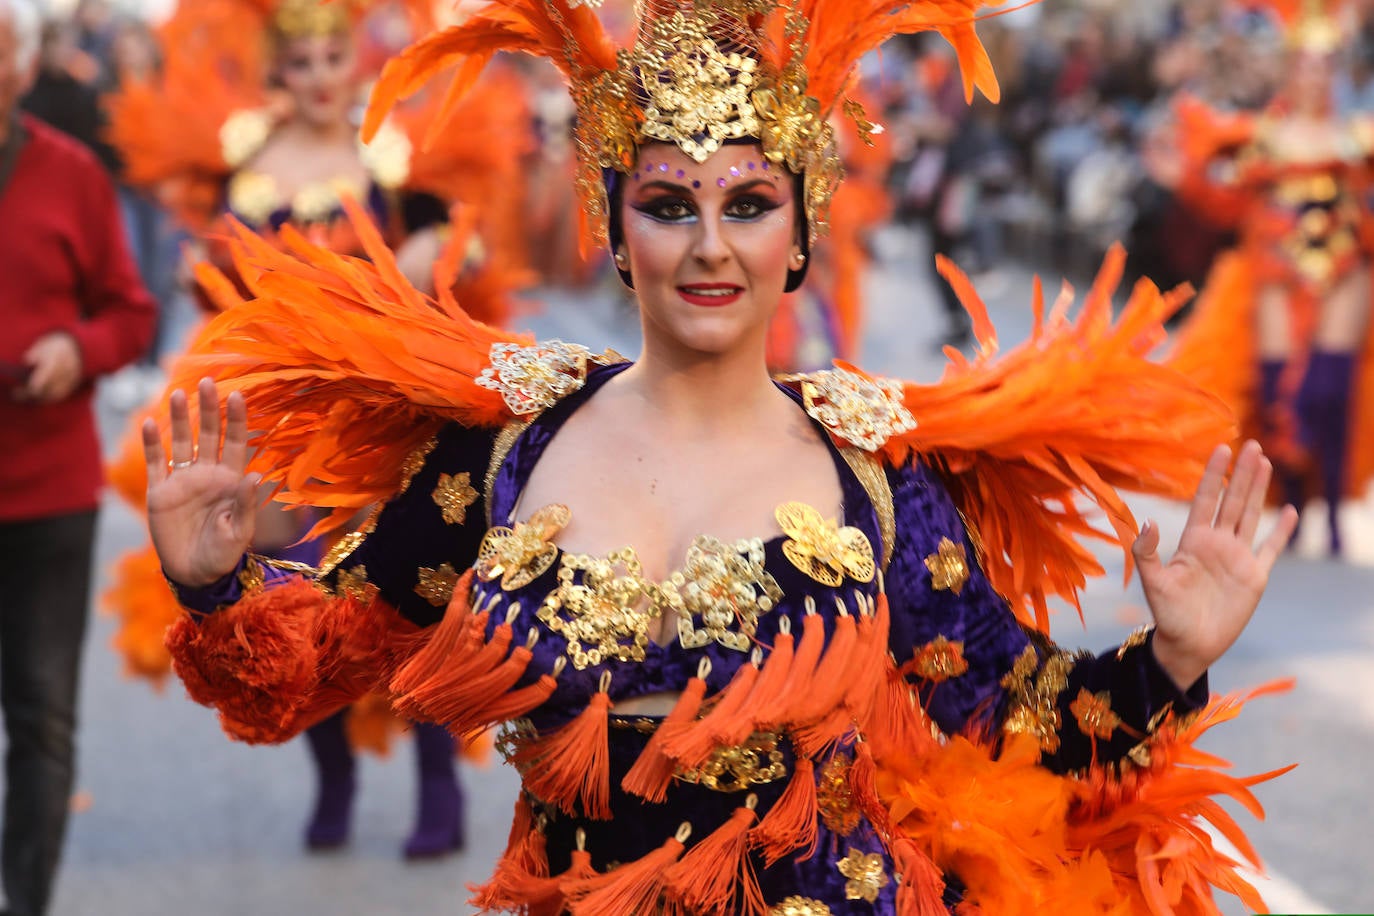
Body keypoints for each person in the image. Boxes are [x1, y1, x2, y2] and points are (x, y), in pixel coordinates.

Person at [142, 0, 1298, 912]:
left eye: (747, 202)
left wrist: (1168, 659)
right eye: (666, 202)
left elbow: (1014, 720)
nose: (708, 247)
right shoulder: (503, 453)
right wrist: (213, 578)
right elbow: (312, 654)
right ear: (613, 222)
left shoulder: (875, 481)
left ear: (799, 232)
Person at [101, 0, 531, 858]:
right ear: (278, 73)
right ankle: (332, 772)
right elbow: (221, 277)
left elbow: (468, 257)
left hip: (382, 411)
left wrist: (432, 254)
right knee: (294, 594)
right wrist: (207, 274)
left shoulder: (392, 156)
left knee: (414, 594)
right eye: (302, 63)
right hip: (278, 418)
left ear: (352, 62)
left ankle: (436, 783)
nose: (321, 78)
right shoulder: (246, 162)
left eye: (334, 57)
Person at [0, 0, 157, 912]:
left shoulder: (71, 176)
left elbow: (130, 314)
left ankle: (28, 899)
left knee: (41, 715)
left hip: (48, 495)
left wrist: (77, 351)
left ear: (21, 71)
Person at [1162, 0, 1374, 557]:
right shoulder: (1263, 136)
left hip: (1344, 266)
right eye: (1304, 62)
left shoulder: (1355, 137)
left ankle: (1329, 513)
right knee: (1282, 392)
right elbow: (1223, 202)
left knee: (1332, 389)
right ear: (1289, 68)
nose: (1314, 74)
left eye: (1324, 64)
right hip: (1278, 271)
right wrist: (1186, 174)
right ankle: (1297, 511)